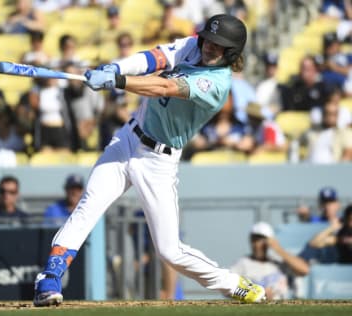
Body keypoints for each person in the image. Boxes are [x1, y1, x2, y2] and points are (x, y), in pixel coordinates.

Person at [33, 14, 266, 307]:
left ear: (230, 52)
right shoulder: (194, 45)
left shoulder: (217, 83)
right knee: (89, 205)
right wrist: (115, 67)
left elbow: (164, 87)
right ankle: (50, 277)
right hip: (128, 137)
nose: (209, 46)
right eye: (209, 39)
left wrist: (117, 81)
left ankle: (233, 284)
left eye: (218, 45)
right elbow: (152, 59)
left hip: (159, 160)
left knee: (169, 251)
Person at [230, 222, 309, 300]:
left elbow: (304, 270)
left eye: (261, 240)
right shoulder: (242, 263)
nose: (256, 245)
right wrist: (256, 294)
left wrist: (278, 249)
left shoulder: (280, 260)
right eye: (254, 240)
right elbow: (229, 287)